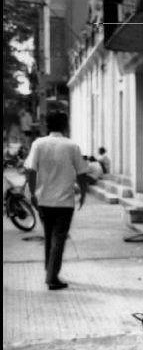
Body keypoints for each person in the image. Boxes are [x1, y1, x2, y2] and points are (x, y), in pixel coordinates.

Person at [25, 111, 88, 290]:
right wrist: (83, 193)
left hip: (43, 200)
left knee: (49, 236)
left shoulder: (38, 144)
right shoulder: (72, 146)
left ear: (47, 126)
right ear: (65, 125)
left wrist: (32, 194)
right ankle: (52, 278)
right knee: (58, 239)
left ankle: (49, 269)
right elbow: (82, 173)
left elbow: (31, 170)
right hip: (64, 202)